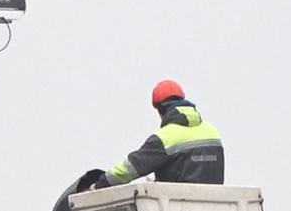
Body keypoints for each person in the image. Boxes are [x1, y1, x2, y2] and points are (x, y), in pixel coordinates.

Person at [96, 79, 225, 187]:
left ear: (160, 110)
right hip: (215, 204)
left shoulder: (165, 138)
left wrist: (100, 184)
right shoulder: (212, 132)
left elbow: (131, 168)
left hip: (176, 206)